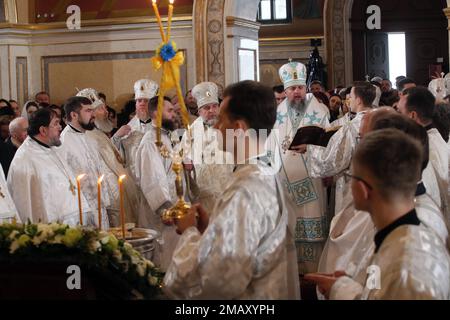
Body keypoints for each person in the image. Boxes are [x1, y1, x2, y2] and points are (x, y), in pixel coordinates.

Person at [164, 80, 300, 300]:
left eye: (221, 120)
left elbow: (216, 283)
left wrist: (189, 233)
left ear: (238, 129)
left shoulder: (244, 191)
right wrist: (213, 229)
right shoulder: (265, 174)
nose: (216, 127)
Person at [306, 129, 450, 300]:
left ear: (363, 189)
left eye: (353, 176)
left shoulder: (408, 264)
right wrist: (343, 287)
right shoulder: (399, 228)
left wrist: (340, 291)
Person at [267, 60, 330, 275]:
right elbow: (269, 146)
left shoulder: (319, 111)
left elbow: (329, 144)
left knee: (312, 228)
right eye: (292, 88)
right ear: (285, 90)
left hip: (312, 179)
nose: (297, 92)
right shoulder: (276, 113)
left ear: (305, 87)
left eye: (300, 88)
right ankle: (292, 274)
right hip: (285, 183)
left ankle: (313, 275)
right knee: (289, 229)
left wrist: (312, 149)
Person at [7, 108, 91, 225]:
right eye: (55, 123)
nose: (60, 127)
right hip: (49, 231)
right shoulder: (25, 160)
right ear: (43, 130)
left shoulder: (51, 149)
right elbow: (27, 205)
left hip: (71, 225)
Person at [303, 82, 376, 214]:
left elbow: (333, 160)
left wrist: (308, 149)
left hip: (354, 185)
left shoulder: (351, 127)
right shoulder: (384, 120)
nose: (349, 101)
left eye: (351, 97)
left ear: (358, 100)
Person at [77, 88, 141, 227]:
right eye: (101, 109)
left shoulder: (98, 133)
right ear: (91, 113)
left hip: (119, 191)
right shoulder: (88, 137)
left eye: (105, 108)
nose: (106, 112)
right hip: (111, 196)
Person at [135, 95, 180, 271]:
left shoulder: (166, 137)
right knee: (162, 258)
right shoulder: (150, 142)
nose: (174, 114)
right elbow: (152, 178)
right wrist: (165, 209)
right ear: (155, 113)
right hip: (162, 213)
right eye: (169, 111)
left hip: (175, 208)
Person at [57, 96, 111, 228]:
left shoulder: (90, 137)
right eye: (88, 111)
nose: (93, 115)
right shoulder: (64, 142)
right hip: (82, 210)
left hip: (100, 206)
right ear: (74, 115)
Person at [398, 87, 449, 221]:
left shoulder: (424, 148)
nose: (397, 118)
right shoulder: (436, 138)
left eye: (400, 112)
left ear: (413, 115)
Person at [183, 82, 233, 213]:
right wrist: (186, 161)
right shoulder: (191, 132)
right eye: (207, 108)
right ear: (199, 111)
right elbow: (183, 157)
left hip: (228, 189)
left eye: (215, 106)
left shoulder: (231, 125)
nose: (212, 111)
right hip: (203, 193)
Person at [112, 79, 159, 181]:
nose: (142, 103)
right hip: (133, 179)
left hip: (156, 178)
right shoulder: (126, 129)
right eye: (139, 101)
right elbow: (113, 155)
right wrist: (116, 137)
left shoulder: (163, 128)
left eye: (146, 101)